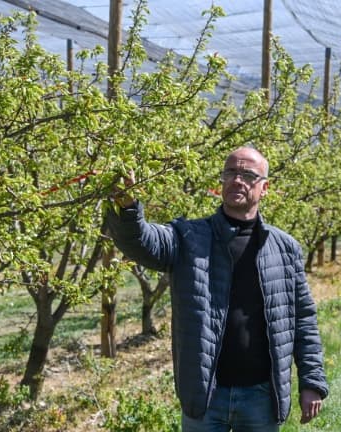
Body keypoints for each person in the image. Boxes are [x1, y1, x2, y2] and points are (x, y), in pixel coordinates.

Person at [107, 147, 328, 431]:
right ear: (221, 182)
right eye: (231, 172)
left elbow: (304, 319)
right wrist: (127, 210)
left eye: (248, 174)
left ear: (265, 188)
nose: (237, 180)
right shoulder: (188, 237)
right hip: (206, 394)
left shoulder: (284, 248)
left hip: (261, 396)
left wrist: (312, 381)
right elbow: (142, 242)